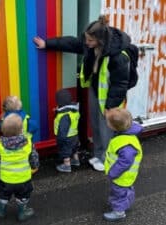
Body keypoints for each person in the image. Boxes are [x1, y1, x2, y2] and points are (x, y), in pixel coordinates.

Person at [34, 15, 135, 171]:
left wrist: (111, 106)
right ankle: (98, 153)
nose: (86, 43)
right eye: (86, 39)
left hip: (111, 97)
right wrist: (47, 43)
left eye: (90, 41)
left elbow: (120, 85)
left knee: (106, 127)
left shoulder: (118, 56)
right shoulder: (91, 44)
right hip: (97, 90)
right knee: (95, 124)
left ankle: (106, 158)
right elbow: (72, 43)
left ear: (100, 41)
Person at [0, 113, 39, 221]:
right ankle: (22, 212)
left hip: (5, 180)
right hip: (24, 179)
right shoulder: (28, 143)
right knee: (23, 196)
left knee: (3, 195)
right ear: (21, 130)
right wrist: (35, 166)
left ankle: (0, 209)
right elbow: (34, 158)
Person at [103, 108, 143, 221]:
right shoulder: (125, 134)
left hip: (121, 175)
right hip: (125, 175)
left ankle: (119, 212)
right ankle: (126, 203)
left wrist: (112, 173)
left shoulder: (124, 144)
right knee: (125, 190)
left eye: (108, 122)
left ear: (114, 127)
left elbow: (125, 162)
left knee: (118, 193)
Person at [54, 89, 80, 172]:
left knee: (65, 151)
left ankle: (66, 165)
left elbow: (62, 130)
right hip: (74, 136)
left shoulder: (64, 116)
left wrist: (60, 140)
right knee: (74, 149)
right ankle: (76, 160)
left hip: (66, 138)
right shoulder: (73, 110)